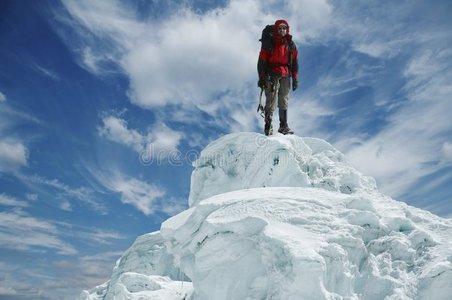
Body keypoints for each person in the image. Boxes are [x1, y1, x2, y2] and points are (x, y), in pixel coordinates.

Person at [257, 19, 298, 136]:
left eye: (284, 28)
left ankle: (283, 126)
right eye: (279, 28)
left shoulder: (291, 44)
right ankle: (268, 124)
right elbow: (262, 61)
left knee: (284, 99)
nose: (282, 30)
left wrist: (295, 78)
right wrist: (262, 77)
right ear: (276, 29)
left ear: (287, 29)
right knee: (271, 99)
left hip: (285, 74)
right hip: (271, 73)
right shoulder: (269, 43)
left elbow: (294, 62)